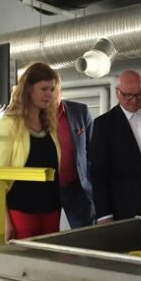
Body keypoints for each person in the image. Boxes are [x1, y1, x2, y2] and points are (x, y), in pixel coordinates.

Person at [0, 62, 61, 240]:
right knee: (24, 263)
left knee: (49, 262)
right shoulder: (7, 125)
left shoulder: (50, 125)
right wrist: (5, 221)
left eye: (52, 89)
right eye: (44, 88)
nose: (49, 94)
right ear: (29, 89)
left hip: (51, 208)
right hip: (21, 210)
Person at [90, 70, 141, 223]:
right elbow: (99, 174)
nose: (134, 100)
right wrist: (104, 214)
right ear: (117, 92)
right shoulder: (104, 124)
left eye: (140, 95)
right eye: (128, 95)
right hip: (122, 205)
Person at [55, 79, 95, 228]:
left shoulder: (80, 111)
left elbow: (93, 151)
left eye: (53, 91)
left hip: (77, 186)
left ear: (61, 92)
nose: (49, 96)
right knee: (47, 235)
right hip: (48, 188)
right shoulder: (34, 116)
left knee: (84, 233)